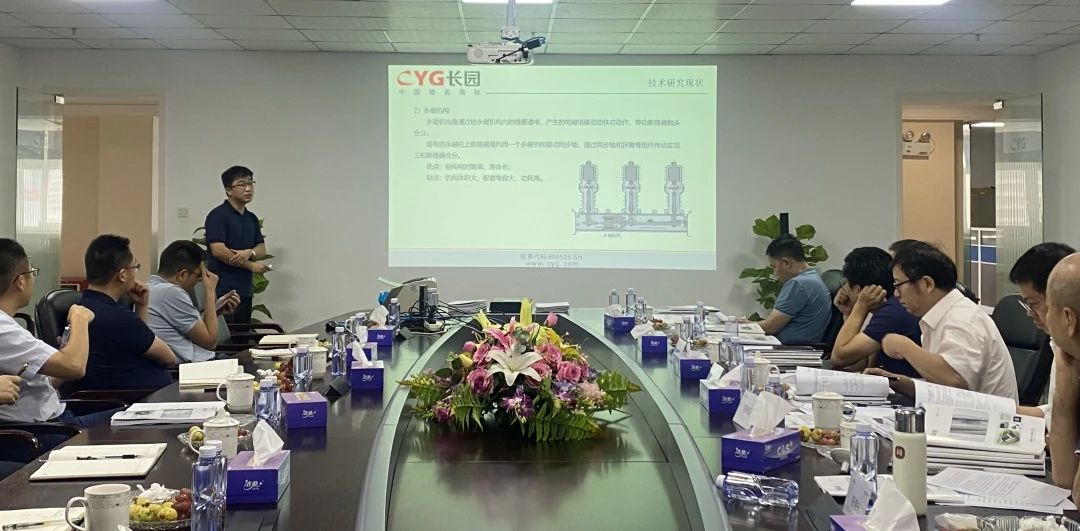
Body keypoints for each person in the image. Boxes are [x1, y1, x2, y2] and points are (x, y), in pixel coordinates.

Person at [0, 238, 121, 431]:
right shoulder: (3, 327)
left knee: (133, 417)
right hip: (44, 431)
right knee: (137, 423)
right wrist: (79, 318)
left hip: (55, 418)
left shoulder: (8, 324)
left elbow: (40, 384)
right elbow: (75, 367)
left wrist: (61, 355)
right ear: (21, 281)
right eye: (32, 272)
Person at [878, 245, 1017, 400]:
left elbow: (955, 382)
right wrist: (894, 381)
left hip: (982, 414)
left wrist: (903, 346)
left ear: (927, 284)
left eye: (898, 285)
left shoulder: (962, 318)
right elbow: (940, 387)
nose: (896, 294)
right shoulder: (941, 315)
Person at [73, 235, 176, 392]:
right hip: (134, 401)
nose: (136, 273)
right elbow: (168, 357)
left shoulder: (83, 308)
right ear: (122, 275)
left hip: (128, 396)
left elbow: (141, 343)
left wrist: (141, 305)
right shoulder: (118, 317)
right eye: (135, 267)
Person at [831, 247, 921, 377]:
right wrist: (848, 314)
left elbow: (839, 358)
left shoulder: (891, 313)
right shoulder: (889, 308)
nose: (843, 288)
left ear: (859, 290)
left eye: (845, 282)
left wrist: (860, 307)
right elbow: (856, 364)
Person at [1009, 243, 1075, 420]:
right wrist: (1002, 411)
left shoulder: (1069, 347)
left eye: (1033, 303)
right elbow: (1054, 412)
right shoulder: (1059, 342)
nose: (1029, 313)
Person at [149, 241, 240, 363]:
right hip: (192, 367)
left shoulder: (152, 286)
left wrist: (215, 309)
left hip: (198, 362)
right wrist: (209, 291)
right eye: (199, 275)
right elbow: (210, 342)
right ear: (183, 274)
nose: (200, 281)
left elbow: (193, 330)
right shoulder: (170, 292)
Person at [204, 166, 268, 324]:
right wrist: (250, 265)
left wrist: (250, 253)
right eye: (242, 184)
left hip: (245, 289)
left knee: (243, 333)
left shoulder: (251, 218)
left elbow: (261, 249)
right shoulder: (217, 216)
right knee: (225, 336)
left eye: (250, 183)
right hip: (223, 290)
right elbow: (219, 251)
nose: (248, 189)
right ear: (228, 190)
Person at [1044, 253, 1080, 495]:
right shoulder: (1072, 366)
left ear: (1068, 319)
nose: (1045, 318)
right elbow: (1065, 476)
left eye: (1048, 309)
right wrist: (1064, 371)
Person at [758, 234, 832, 344]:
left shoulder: (798, 284)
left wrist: (743, 326)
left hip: (790, 348)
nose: (775, 272)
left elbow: (769, 327)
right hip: (798, 346)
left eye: (774, 267)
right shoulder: (813, 277)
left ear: (786, 263)